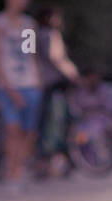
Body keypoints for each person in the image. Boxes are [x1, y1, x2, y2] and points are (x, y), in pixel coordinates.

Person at [0, 0, 42, 186]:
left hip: (29, 83)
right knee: (12, 129)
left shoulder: (29, 24)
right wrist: (8, 87)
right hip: (7, 85)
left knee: (29, 131)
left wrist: (37, 82)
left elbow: (31, 55)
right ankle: (12, 172)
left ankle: (21, 168)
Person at [35, 6, 80, 173]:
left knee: (43, 120)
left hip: (41, 83)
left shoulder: (35, 33)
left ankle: (46, 158)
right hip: (55, 82)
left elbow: (32, 58)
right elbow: (57, 58)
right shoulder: (50, 34)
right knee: (63, 117)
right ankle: (63, 152)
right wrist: (73, 74)